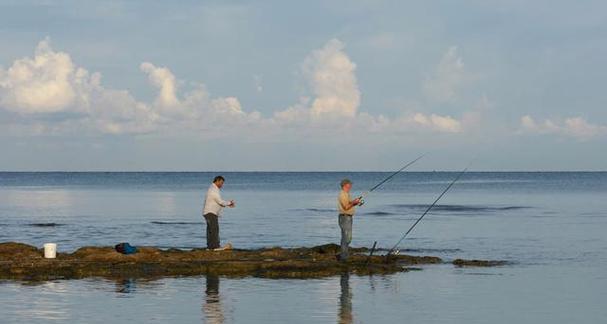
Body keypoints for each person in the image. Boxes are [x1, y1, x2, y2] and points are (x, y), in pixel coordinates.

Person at [202, 175, 235, 250]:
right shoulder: (214, 189)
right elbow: (220, 201)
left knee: (210, 230)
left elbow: (217, 202)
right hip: (210, 212)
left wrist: (227, 204)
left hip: (209, 212)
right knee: (214, 229)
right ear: (217, 181)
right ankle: (215, 246)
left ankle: (210, 246)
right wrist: (229, 203)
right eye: (221, 182)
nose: (222, 185)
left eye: (223, 183)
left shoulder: (212, 188)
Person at [337, 179, 362, 261]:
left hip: (348, 217)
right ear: (345, 185)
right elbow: (346, 207)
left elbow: (349, 204)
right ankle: (343, 257)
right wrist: (354, 203)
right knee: (346, 238)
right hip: (345, 217)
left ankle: (344, 255)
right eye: (349, 184)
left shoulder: (347, 194)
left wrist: (356, 202)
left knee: (348, 238)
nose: (351, 186)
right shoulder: (343, 194)